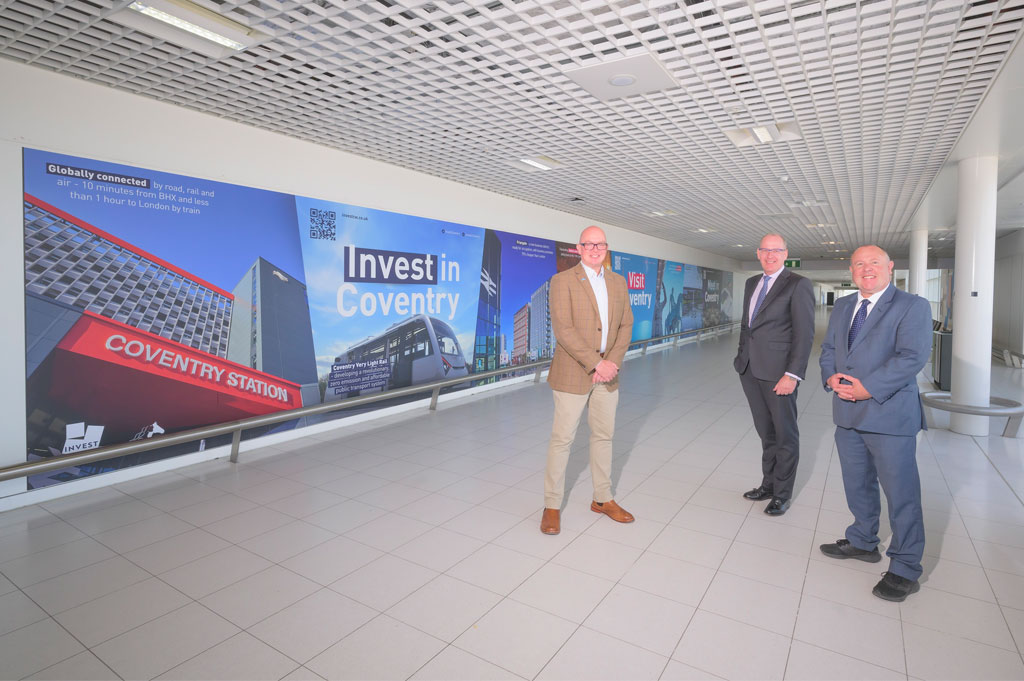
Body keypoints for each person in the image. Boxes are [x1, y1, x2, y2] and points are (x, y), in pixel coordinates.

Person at [818, 245, 932, 602]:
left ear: (889, 267)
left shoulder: (911, 306)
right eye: (859, 264)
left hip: (889, 415)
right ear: (851, 270)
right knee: (857, 483)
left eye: (874, 263)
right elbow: (828, 351)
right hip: (848, 415)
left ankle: (905, 567)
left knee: (902, 495)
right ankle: (863, 540)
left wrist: (869, 388)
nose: (867, 269)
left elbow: (912, 357)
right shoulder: (844, 306)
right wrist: (829, 379)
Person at [541, 225, 635, 535]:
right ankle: (552, 505)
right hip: (573, 373)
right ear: (578, 249)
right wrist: (596, 363)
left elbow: (625, 326)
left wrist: (611, 364)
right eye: (588, 244)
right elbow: (563, 329)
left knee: (604, 437)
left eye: (600, 245)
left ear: (606, 249)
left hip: (608, 375)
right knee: (562, 440)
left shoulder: (618, 282)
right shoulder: (562, 281)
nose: (595, 249)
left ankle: (602, 499)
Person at [733, 234, 814, 516]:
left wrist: (792, 374)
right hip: (750, 370)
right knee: (766, 433)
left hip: (779, 374)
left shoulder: (798, 285)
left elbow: (805, 335)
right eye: (765, 250)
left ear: (785, 253)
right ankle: (768, 484)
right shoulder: (751, 283)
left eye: (776, 250)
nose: (770, 255)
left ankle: (782, 494)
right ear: (757, 253)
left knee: (784, 435)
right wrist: (741, 356)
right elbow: (748, 326)